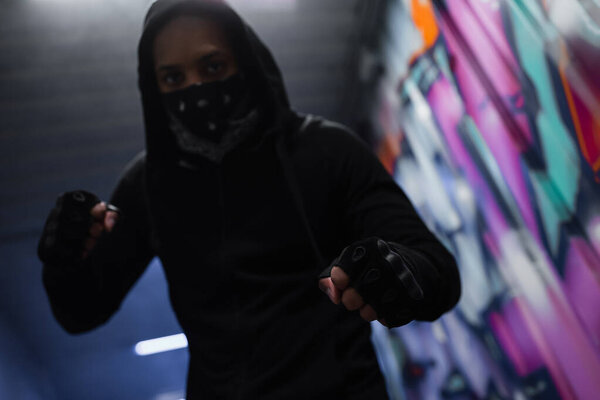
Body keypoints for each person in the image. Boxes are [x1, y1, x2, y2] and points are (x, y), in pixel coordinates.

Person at [37, 0, 461, 398]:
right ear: (154, 88)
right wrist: (63, 258)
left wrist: (397, 271)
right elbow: (80, 312)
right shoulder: (150, 185)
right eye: (173, 78)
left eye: (213, 66)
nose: (196, 90)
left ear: (246, 61)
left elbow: (438, 271)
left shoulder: (325, 151)